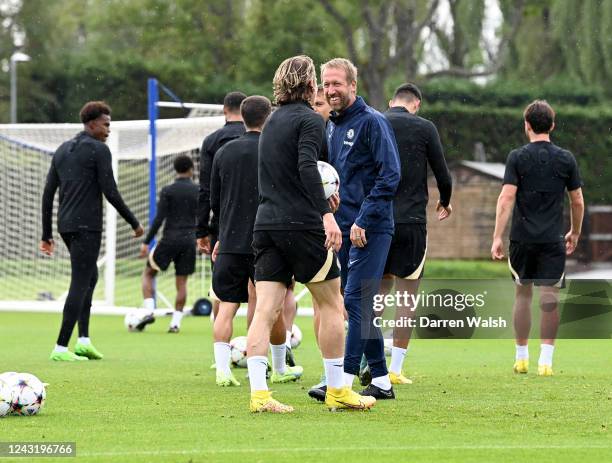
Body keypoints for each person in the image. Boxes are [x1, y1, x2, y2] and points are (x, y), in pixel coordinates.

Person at [247, 55, 375, 413]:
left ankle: (259, 395)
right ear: (308, 85)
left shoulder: (270, 122)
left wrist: (321, 194)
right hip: (301, 226)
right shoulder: (310, 120)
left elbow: (288, 173)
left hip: (266, 223)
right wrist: (326, 214)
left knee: (265, 311)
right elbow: (306, 166)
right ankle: (337, 390)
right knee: (331, 303)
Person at [321, 57, 400, 400]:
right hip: (342, 229)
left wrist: (363, 219)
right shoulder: (331, 126)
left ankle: (343, 381)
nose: (331, 90)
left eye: (337, 83)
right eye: (326, 84)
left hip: (371, 228)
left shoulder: (373, 122)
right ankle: (381, 379)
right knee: (358, 304)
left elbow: (390, 175)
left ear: (353, 85)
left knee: (356, 299)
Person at [210, 95, 302, 387]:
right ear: (269, 116)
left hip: (229, 240)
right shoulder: (272, 150)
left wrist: (219, 236)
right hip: (264, 239)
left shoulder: (224, 152)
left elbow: (216, 200)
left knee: (226, 306)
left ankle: (223, 372)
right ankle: (274, 368)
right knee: (267, 307)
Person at [40, 101, 143, 361]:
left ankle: (83, 340)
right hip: (87, 225)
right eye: (106, 124)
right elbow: (110, 190)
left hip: (66, 225)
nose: (109, 129)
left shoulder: (62, 150)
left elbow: (48, 193)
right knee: (80, 281)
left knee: (90, 277)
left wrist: (47, 234)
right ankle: (61, 348)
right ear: (92, 124)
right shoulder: (98, 150)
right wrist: (134, 222)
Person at [491, 100, 584, 377]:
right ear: (552, 125)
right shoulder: (566, 159)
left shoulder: (517, 157)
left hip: (522, 238)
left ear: (527, 125)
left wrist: (497, 236)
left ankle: (521, 358)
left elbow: (507, 197)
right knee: (550, 297)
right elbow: (577, 200)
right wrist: (575, 231)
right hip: (553, 238)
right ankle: (546, 361)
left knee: (522, 294)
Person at [378, 83, 453, 385]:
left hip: (376, 219)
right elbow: (442, 173)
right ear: (417, 104)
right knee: (406, 296)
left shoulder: (376, 121)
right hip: (410, 221)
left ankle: (363, 360)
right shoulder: (425, 128)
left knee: (376, 295)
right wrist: (445, 201)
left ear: (391, 101)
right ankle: (395, 369)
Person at [196, 91, 246, 318]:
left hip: (224, 223)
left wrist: (202, 229)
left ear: (225, 110)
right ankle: (260, 346)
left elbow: (206, 189)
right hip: (259, 221)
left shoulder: (211, 142)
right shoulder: (261, 138)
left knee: (222, 289)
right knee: (261, 289)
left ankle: (221, 345)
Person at [138, 154, 199, 333]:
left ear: (175, 169)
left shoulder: (168, 190)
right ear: (191, 169)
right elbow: (203, 216)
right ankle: (175, 324)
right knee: (182, 283)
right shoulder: (198, 190)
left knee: (149, 273)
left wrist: (146, 242)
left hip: (169, 239)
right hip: (189, 241)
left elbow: (159, 218)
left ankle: (149, 311)